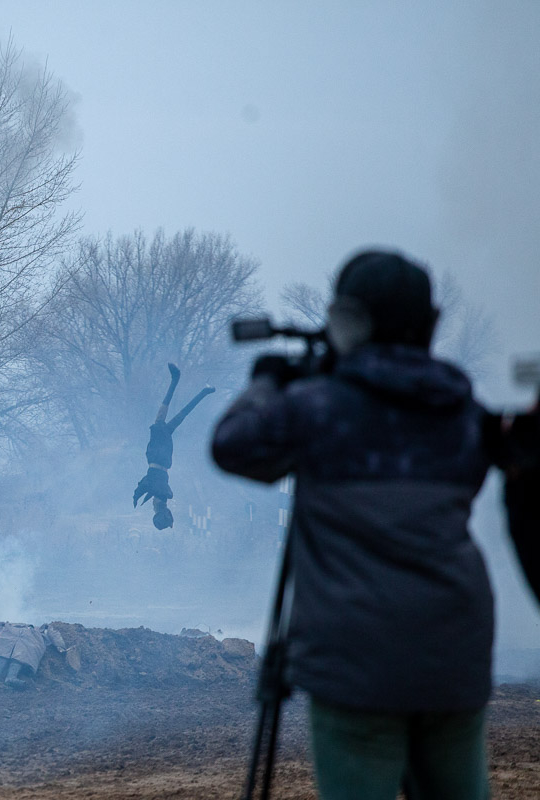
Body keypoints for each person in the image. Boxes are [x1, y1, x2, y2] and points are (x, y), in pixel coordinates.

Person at [212, 250, 493, 800]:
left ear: (347, 321)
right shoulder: (463, 412)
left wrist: (270, 382)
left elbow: (233, 446)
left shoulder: (321, 409)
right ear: (430, 324)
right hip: (455, 653)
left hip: (356, 662)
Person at [133, 363, 215, 529]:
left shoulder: (165, 492)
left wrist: (141, 494)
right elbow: (144, 484)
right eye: (154, 510)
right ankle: (175, 380)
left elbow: (149, 486)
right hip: (157, 454)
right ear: (158, 509)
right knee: (160, 418)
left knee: (179, 417)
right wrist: (137, 495)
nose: (152, 507)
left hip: (163, 456)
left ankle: (204, 391)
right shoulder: (159, 491)